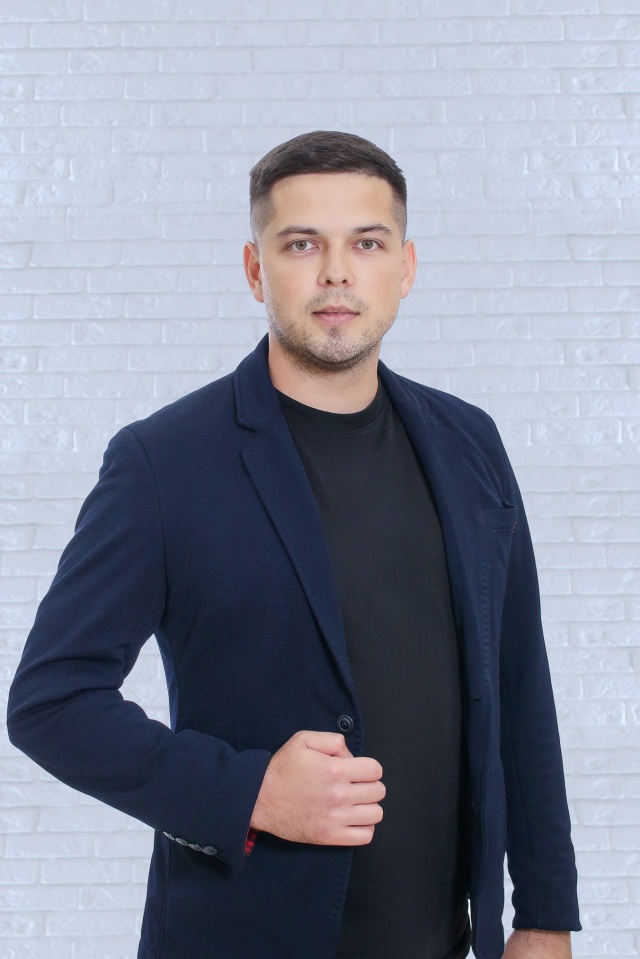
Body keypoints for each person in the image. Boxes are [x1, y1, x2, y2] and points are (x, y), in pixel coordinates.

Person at [7, 130, 580, 959]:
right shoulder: (163, 463)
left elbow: (521, 686)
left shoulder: (471, 444)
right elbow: (50, 701)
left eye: (367, 243)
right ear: (255, 269)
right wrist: (251, 794)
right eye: (302, 243)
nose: (336, 272)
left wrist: (545, 913)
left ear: (406, 267)